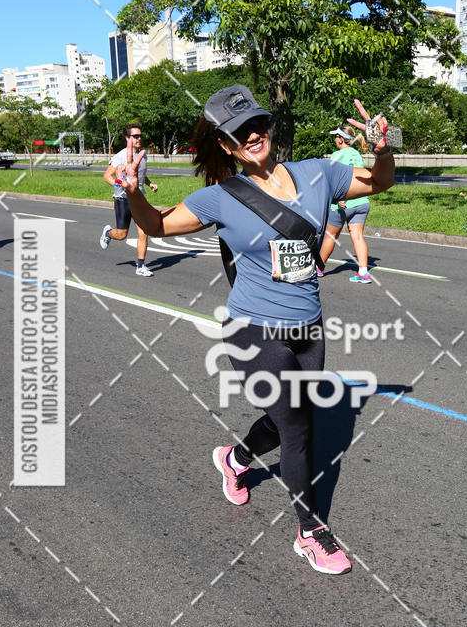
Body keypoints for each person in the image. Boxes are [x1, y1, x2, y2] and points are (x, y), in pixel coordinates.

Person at [120, 85, 395, 575]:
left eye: (256, 124)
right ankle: (310, 533)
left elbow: (379, 183)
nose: (251, 135)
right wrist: (134, 193)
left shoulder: (319, 173)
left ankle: (235, 458)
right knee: (298, 427)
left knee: (285, 418)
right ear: (226, 146)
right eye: (237, 132)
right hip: (252, 328)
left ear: (267, 127)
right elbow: (157, 226)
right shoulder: (220, 198)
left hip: (308, 326)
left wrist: (382, 148)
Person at [99, 124, 159, 276]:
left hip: (139, 198)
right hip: (123, 199)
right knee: (121, 235)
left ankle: (141, 266)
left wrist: (149, 183)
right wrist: (120, 185)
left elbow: (139, 174)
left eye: (140, 135)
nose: (139, 138)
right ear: (127, 138)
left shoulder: (142, 155)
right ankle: (108, 233)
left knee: (143, 232)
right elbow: (107, 176)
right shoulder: (120, 156)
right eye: (135, 136)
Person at [319, 124, 374, 284]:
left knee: (330, 237)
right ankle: (363, 273)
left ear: (341, 139)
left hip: (343, 203)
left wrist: (337, 198)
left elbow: (332, 179)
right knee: (358, 237)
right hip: (361, 201)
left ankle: (319, 269)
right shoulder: (357, 154)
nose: (335, 140)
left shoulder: (337, 155)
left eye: (336, 137)